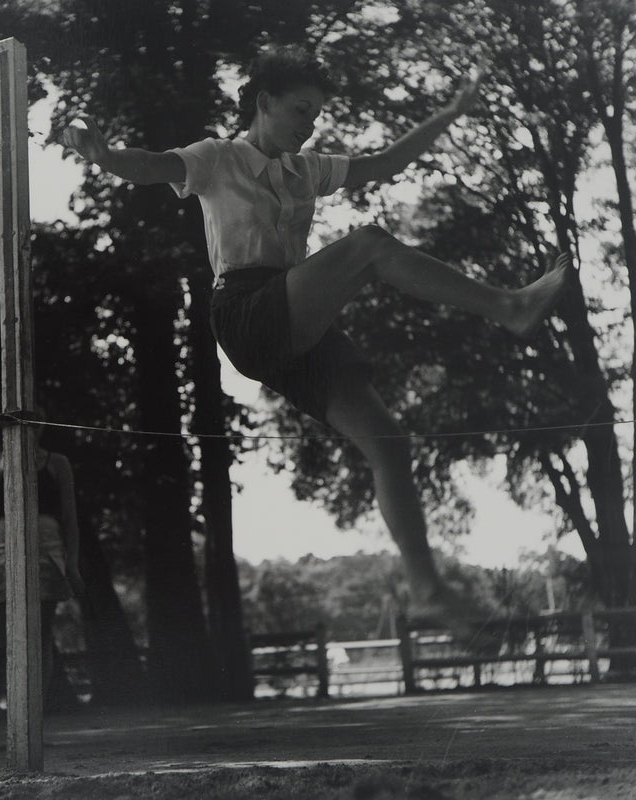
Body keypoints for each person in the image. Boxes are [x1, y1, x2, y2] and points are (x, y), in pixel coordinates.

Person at [61, 46, 570, 641]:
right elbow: (151, 165)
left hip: (297, 319)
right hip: (248, 313)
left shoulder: (307, 171)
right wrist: (102, 154)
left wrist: (453, 111)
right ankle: (509, 307)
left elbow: (385, 163)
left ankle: (426, 591)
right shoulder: (218, 158)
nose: (310, 124)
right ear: (264, 103)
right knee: (370, 246)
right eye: (301, 110)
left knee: (389, 442)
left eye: (318, 115)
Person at [0, 417, 84, 743]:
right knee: (3, 638)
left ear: (43, 426)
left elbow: (71, 519)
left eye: (35, 422)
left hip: (47, 548)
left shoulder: (57, 463)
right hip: (4, 546)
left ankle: (34, 716)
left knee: (40, 636)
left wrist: (73, 564)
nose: (28, 429)